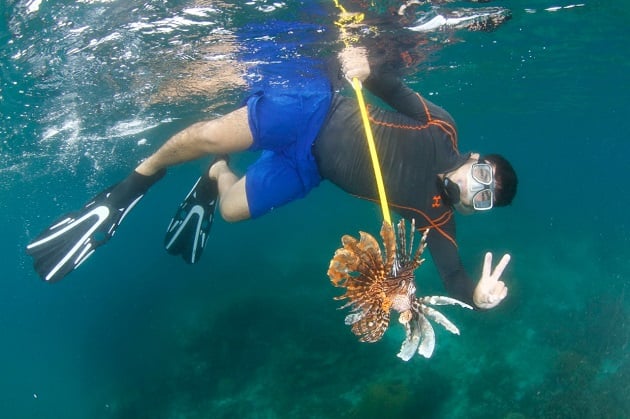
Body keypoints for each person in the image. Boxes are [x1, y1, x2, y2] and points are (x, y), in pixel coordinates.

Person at [26, 46, 517, 310]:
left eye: (483, 197)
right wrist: (367, 67)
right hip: (316, 107)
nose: (473, 190)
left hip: (310, 168)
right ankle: (133, 185)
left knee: (232, 209)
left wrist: (473, 293)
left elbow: (452, 274)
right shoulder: (442, 128)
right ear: (473, 156)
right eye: (481, 175)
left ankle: (213, 177)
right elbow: (395, 88)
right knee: (213, 134)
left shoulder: (438, 217)